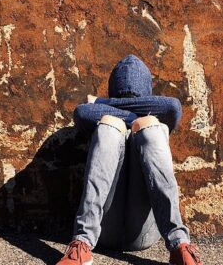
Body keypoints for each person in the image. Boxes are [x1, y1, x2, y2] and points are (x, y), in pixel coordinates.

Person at [56, 55, 203, 265]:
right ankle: (82, 244)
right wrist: (130, 115)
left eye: (133, 98)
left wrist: (101, 103)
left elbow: (172, 107)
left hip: (144, 231)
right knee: (109, 126)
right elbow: (82, 112)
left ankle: (179, 244)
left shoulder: (106, 107)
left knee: (151, 127)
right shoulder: (103, 120)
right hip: (102, 230)